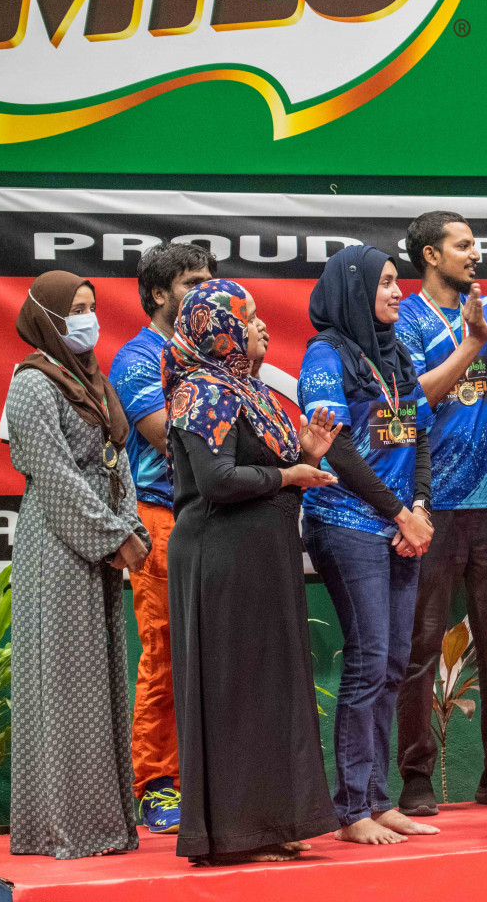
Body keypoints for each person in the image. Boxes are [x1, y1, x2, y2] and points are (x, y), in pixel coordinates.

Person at [163, 280, 342, 863]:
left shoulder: (248, 389)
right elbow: (217, 482)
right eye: (250, 317)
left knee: (268, 691)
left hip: (261, 558)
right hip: (221, 558)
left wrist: (307, 458)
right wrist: (292, 475)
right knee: (234, 693)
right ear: (222, 331)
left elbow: (268, 473)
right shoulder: (201, 392)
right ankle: (232, 836)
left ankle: (270, 822)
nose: (262, 325)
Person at [298, 245, 439, 846]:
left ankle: (379, 799)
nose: (396, 293)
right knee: (366, 660)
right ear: (354, 289)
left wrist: (422, 508)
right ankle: (351, 807)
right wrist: (399, 513)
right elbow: (336, 447)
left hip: (400, 526)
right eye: (385, 284)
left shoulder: (398, 353)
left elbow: (421, 436)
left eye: (396, 283)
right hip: (346, 522)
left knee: (391, 665)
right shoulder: (325, 355)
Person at [5, 271, 149, 859]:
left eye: (92, 306)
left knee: (101, 682)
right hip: (60, 543)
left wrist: (132, 524)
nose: (87, 318)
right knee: (67, 686)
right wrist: (113, 535)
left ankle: (106, 823)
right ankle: (64, 828)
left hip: (102, 543)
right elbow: (54, 473)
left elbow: (120, 459)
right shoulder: (32, 384)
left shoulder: (95, 380)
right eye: (75, 309)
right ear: (47, 317)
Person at [392, 212, 487, 817]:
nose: (476, 255)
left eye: (477, 245)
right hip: (432, 506)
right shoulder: (407, 319)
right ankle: (417, 774)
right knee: (420, 647)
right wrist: (471, 345)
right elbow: (412, 399)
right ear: (430, 254)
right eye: (463, 245)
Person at [107, 243, 215, 834]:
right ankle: (157, 782)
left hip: (220, 514)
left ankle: (211, 773)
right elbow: (162, 437)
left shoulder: (215, 354)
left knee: (217, 651)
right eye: (191, 282)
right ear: (156, 293)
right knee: (167, 652)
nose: (203, 291)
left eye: (208, 281)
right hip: (160, 516)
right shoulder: (140, 357)